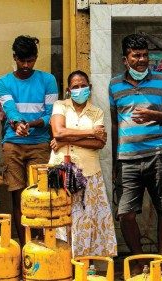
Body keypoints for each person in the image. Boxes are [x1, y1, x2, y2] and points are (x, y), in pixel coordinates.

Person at [109, 34, 162, 280]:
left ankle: (161, 261)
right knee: (125, 212)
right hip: (127, 157)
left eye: (145, 55)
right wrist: (116, 159)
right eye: (136, 55)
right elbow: (115, 124)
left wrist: (154, 116)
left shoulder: (161, 80)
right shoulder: (114, 85)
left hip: (158, 154)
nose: (142, 60)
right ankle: (137, 261)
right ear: (125, 58)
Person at [0, 35, 58, 243]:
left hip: (40, 144)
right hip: (13, 145)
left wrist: (29, 125)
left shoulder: (48, 80)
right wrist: (17, 123)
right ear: (14, 57)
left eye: (30, 60)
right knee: (18, 196)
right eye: (21, 60)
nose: (25, 65)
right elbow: (10, 108)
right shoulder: (2, 82)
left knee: (39, 197)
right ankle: (25, 248)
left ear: (36, 57)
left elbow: (50, 115)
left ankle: (40, 243)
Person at [49, 70, 117, 257]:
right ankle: (61, 263)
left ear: (90, 88)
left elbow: (99, 143)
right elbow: (58, 132)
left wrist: (67, 141)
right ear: (68, 90)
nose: (80, 89)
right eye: (75, 87)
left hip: (89, 173)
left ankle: (86, 264)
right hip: (60, 171)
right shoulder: (60, 105)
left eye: (83, 86)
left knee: (87, 219)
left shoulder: (97, 112)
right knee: (61, 219)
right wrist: (90, 132)